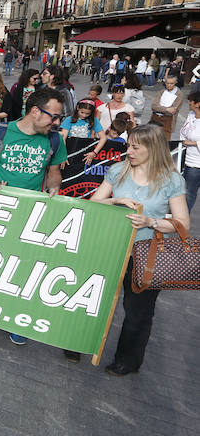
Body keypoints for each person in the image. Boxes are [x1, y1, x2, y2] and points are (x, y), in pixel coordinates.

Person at [0, 88, 67, 344]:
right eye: (53, 116)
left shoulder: (54, 140)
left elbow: (54, 171)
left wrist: (54, 185)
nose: (56, 123)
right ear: (34, 111)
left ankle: (15, 316)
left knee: (21, 266)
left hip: (31, 215)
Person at [89, 124, 189, 374]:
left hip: (147, 255)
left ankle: (127, 360)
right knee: (94, 299)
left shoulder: (171, 180)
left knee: (138, 313)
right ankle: (81, 342)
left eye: (135, 146)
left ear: (152, 148)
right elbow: (95, 203)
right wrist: (116, 200)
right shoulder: (117, 171)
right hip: (111, 247)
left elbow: (182, 224)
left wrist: (151, 222)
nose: (129, 151)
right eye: (128, 145)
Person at [179, 91, 200, 211]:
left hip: (196, 164)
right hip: (185, 158)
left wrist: (193, 143)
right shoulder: (191, 115)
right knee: (181, 190)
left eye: (191, 101)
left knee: (189, 193)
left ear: (198, 104)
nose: (189, 103)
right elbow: (184, 131)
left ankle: (183, 218)